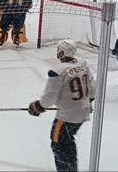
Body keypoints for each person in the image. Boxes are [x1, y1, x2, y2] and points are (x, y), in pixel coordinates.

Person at [28, 39, 96, 172]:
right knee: (68, 141)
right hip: (83, 111)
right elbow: (92, 87)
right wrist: (86, 102)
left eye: (58, 50)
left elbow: (50, 97)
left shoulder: (57, 71)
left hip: (66, 116)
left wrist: (37, 107)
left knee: (58, 143)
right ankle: (71, 168)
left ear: (62, 53)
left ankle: (67, 170)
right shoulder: (82, 64)